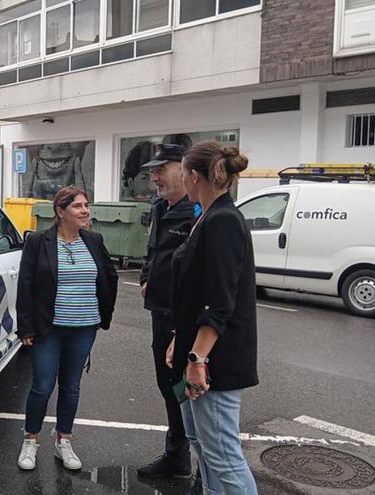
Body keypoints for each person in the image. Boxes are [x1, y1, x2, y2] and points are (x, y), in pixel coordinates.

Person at [168, 141, 258, 494]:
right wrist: (181, 338)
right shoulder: (208, 216)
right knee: (203, 445)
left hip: (214, 364)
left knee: (222, 455)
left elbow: (220, 301)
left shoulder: (223, 220)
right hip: (200, 354)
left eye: (180, 172)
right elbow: (196, 293)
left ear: (193, 176)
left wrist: (197, 358)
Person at [16, 186, 118, 471]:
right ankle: (30, 440)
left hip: (84, 326)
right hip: (48, 328)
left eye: (86, 205)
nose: (85, 211)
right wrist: (26, 328)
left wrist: (103, 316)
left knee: (71, 386)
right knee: (42, 385)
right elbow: (25, 286)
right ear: (60, 212)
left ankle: (64, 440)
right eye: (77, 206)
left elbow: (109, 278)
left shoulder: (94, 240)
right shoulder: (39, 242)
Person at [136, 144, 197, 481]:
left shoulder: (196, 213)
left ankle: (201, 466)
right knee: (167, 385)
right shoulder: (160, 207)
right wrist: (146, 277)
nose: (154, 176)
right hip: (159, 311)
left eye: (161, 169)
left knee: (187, 391)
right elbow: (152, 250)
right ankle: (177, 457)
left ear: (185, 169)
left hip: (184, 316)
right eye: (153, 170)